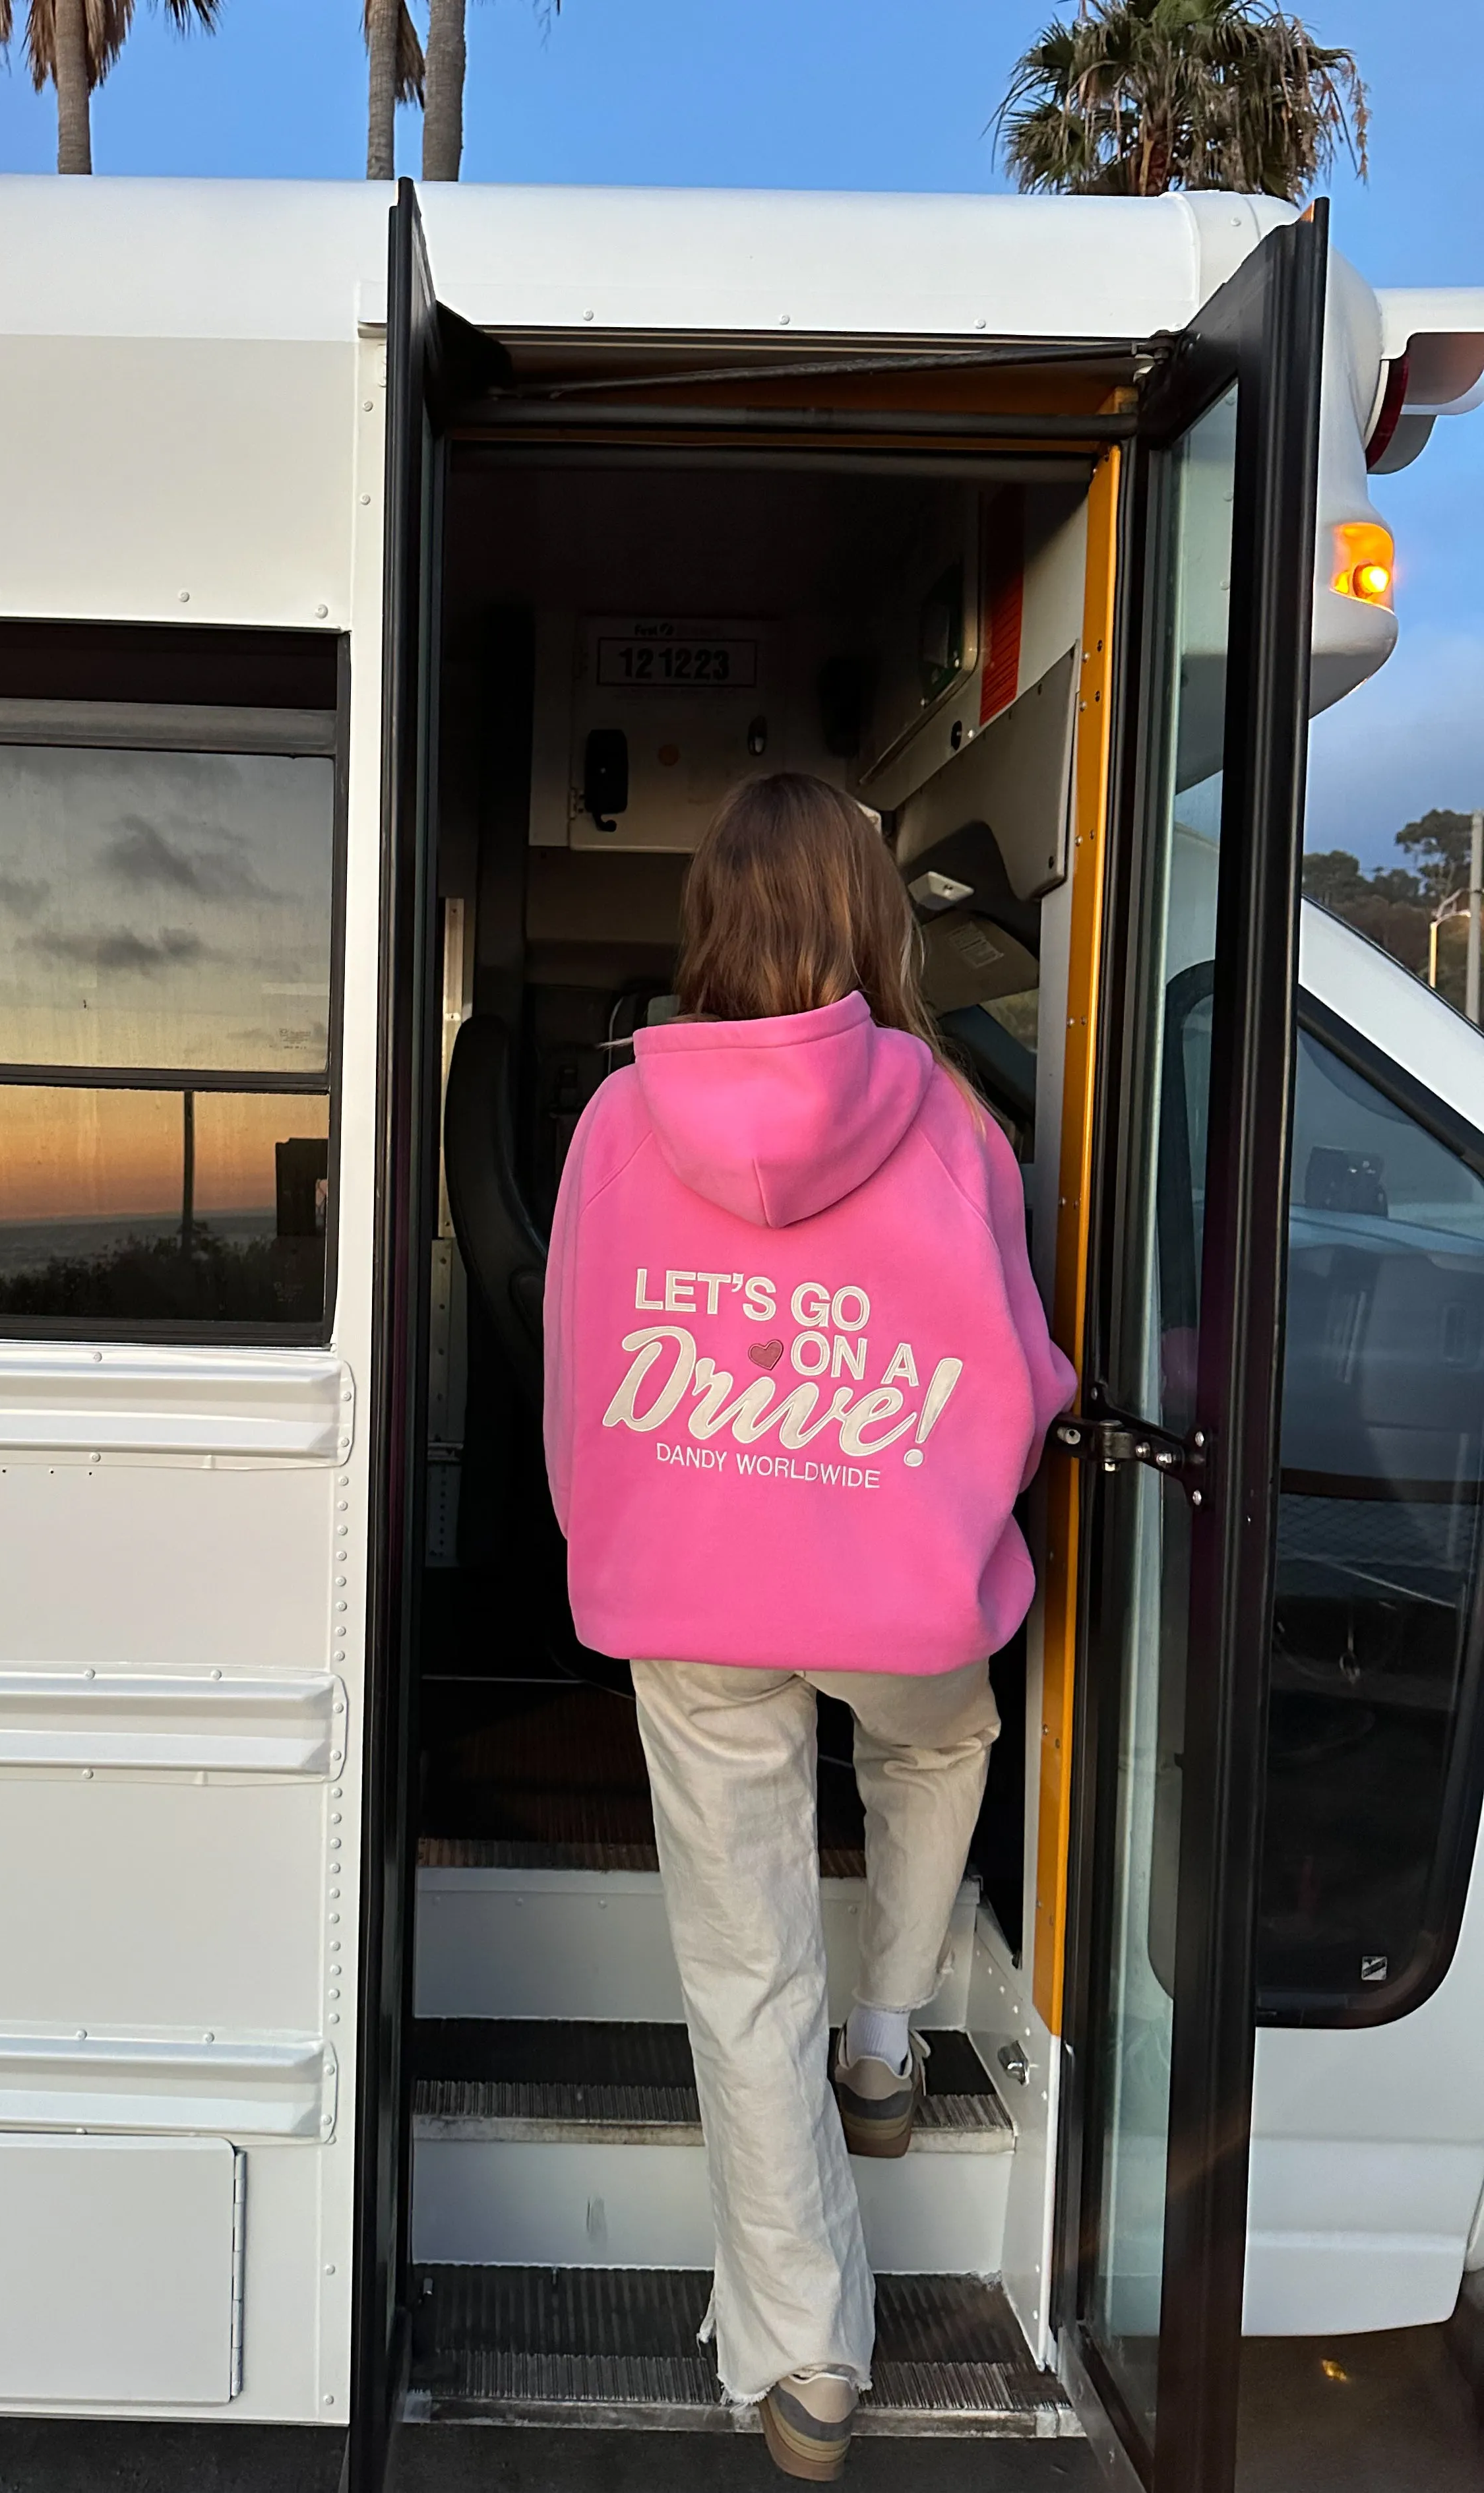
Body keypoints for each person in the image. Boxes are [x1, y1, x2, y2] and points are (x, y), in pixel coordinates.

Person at [541, 772, 1076, 2480]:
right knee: (944, 1733)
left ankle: (803, 2355)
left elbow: (573, 1381)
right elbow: (1014, 1368)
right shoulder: (954, 1117)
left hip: (690, 1596)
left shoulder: (616, 1123)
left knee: (738, 1955)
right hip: (893, 1583)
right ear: (872, 916)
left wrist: (622, 1526)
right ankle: (890, 2035)